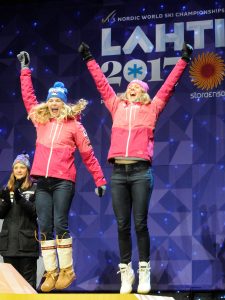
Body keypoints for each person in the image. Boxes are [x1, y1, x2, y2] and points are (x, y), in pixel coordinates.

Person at [78, 42, 193, 294]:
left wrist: (183, 60)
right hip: (118, 173)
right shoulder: (116, 106)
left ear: (142, 93)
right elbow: (101, 83)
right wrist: (89, 58)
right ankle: (125, 272)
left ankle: (143, 270)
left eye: (135, 88)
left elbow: (169, 85)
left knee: (139, 223)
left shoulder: (152, 109)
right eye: (128, 87)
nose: (130, 89)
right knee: (122, 225)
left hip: (141, 172)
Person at [16, 51, 107, 293]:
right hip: (42, 183)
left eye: (58, 100)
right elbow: (28, 98)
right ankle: (51, 271)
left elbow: (88, 155)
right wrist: (25, 70)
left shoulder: (75, 126)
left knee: (60, 222)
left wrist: (99, 179)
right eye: (51, 100)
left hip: (63, 181)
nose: (54, 104)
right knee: (44, 225)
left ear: (64, 103)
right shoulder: (41, 121)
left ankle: (67, 269)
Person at [0, 153, 38, 289]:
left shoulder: (35, 188)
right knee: (10, 286)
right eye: (16, 167)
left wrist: (20, 199)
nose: (19, 170)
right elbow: (1, 214)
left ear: (27, 170)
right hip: (8, 246)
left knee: (27, 286)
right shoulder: (6, 189)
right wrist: (5, 201)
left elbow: (36, 212)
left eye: (22, 167)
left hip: (27, 246)